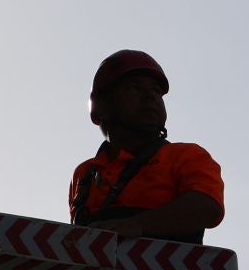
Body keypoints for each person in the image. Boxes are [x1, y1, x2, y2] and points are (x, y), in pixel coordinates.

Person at [67, 50, 224, 243]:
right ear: (103, 105)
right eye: (134, 88)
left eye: (155, 91)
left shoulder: (185, 155)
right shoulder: (84, 174)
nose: (150, 96)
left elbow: (207, 207)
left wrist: (138, 225)